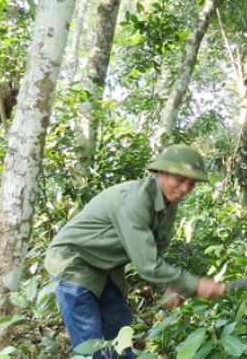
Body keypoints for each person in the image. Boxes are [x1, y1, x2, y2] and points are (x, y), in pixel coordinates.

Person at [44, 144, 227, 359]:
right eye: (180, 179)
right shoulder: (134, 200)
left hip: (106, 269)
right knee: (92, 349)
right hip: (73, 263)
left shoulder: (169, 204)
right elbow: (146, 263)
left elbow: (154, 252)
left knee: (120, 340)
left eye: (192, 183)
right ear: (161, 173)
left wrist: (166, 287)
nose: (185, 188)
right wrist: (196, 285)